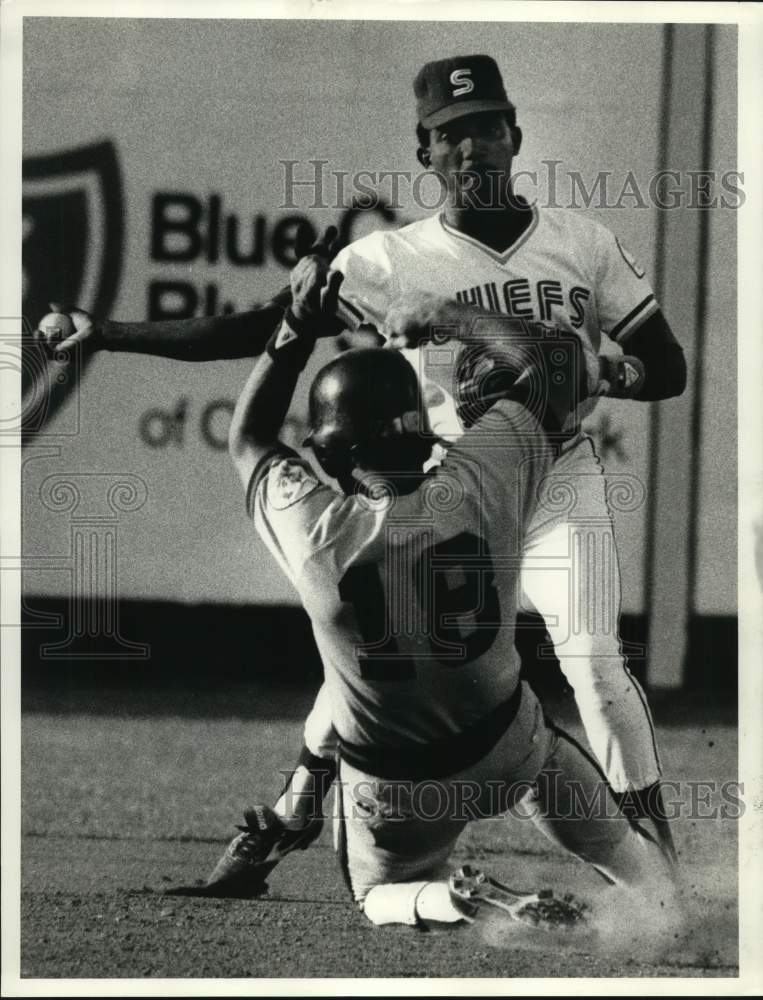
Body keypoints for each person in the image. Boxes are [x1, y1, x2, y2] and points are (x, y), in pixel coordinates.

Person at [37, 53, 685, 890]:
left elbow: (663, 364)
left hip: (555, 475)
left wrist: (613, 374)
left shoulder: (580, 243)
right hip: (450, 488)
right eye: (450, 136)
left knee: (594, 663)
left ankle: (655, 862)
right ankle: (286, 817)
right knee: (380, 665)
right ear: (424, 155)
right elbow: (266, 326)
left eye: (486, 127)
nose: (471, 148)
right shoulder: (388, 259)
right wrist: (111, 333)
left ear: (515, 136)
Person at [198, 247, 677, 928]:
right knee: (602, 829)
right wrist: (453, 316)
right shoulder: (483, 475)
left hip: (395, 787)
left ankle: (453, 901)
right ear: (423, 435)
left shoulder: (316, 529)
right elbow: (558, 365)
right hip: (510, 747)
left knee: (373, 897)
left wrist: (294, 329)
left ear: (328, 453)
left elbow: (247, 437)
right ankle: (666, 904)